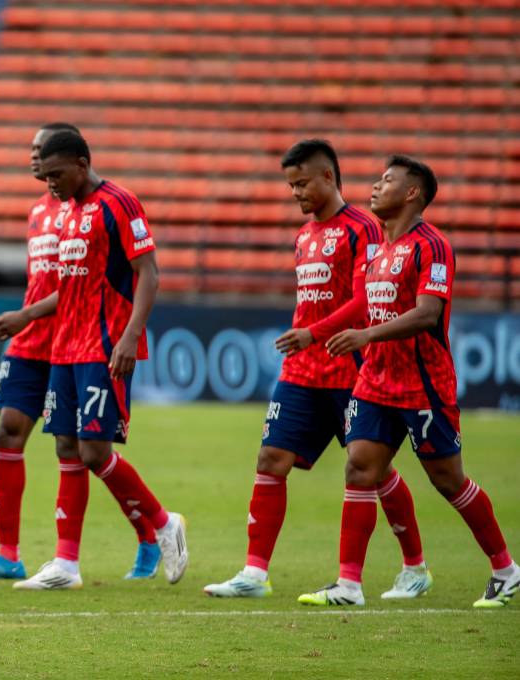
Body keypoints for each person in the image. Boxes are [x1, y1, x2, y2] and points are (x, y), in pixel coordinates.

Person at [204, 140, 431, 600]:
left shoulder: (362, 229)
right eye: (291, 185)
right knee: (271, 460)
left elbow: (365, 299)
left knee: (374, 472)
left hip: (351, 370)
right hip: (302, 372)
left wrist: (314, 332)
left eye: (302, 182)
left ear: (328, 177)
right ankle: (254, 573)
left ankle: (414, 566)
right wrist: (304, 338)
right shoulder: (305, 235)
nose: (296, 193)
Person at [299, 155, 518, 608]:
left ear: (412, 192)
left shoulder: (432, 245)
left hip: (422, 385)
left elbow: (427, 313)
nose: (376, 187)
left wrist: (366, 334)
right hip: (375, 381)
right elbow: (367, 304)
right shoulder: (377, 247)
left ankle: (506, 569)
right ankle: (348, 585)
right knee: (359, 465)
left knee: (448, 480)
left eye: (387, 181)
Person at [0, 131, 186, 590]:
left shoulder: (119, 203)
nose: (49, 181)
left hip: (103, 345)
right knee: (66, 448)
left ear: (81, 164)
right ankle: (66, 565)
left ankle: (162, 521)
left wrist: (130, 337)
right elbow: (71, 287)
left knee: (95, 451)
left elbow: (149, 272)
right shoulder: (69, 214)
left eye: (56, 173)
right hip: (64, 347)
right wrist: (27, 315)